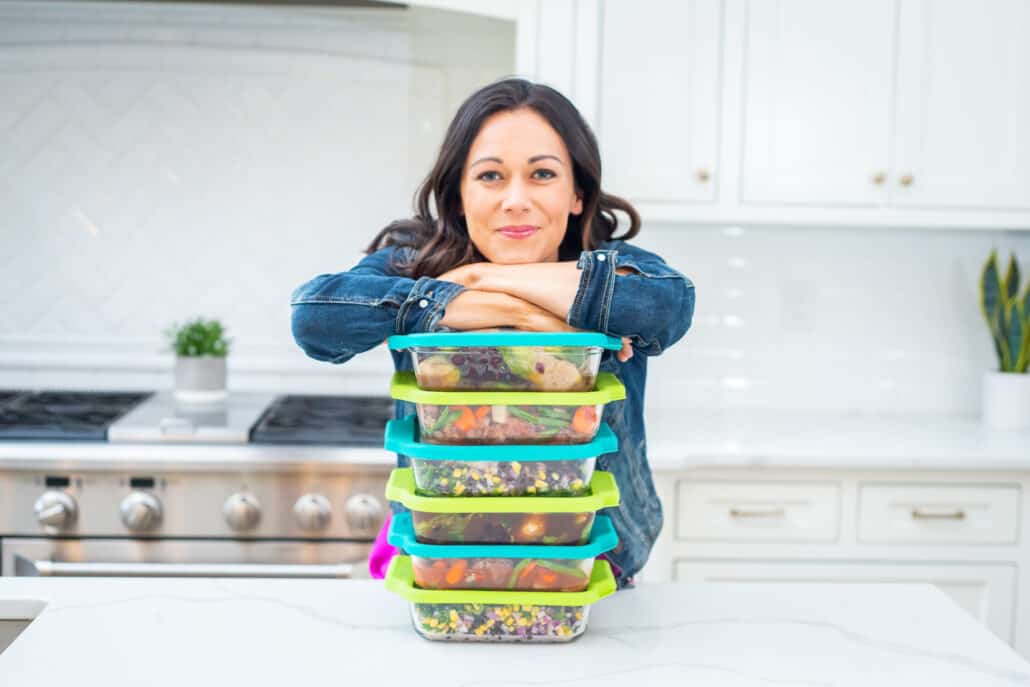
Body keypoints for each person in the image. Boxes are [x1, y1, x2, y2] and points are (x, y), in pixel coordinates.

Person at [290, 77, 695, 589]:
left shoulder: (619, 269)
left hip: (589, 561)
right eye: (490, 176)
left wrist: (480, 279)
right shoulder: (415, 259)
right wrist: (529, 317)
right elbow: (314, 318)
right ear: (459, 195)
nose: (516, 200)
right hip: (444, 558)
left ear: (577, 194)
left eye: (543, 174)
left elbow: (670, 306)